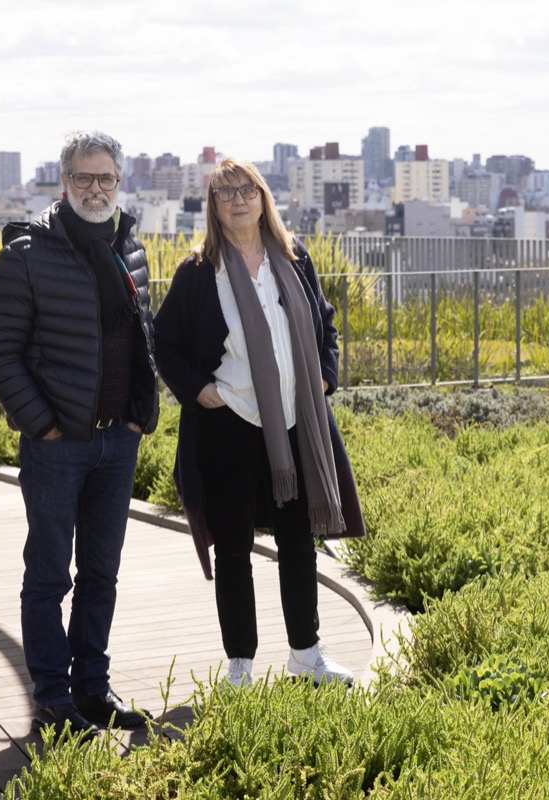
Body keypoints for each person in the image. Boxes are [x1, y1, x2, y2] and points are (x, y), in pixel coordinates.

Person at [153, 157, 365, 688]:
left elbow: (325, 322)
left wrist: (324, 378)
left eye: (247, 189)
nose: (239, 200)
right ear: (214, 208)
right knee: (234, 549)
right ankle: (241, 665)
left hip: (295, 423)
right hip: (230, 425)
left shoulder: (293, 257)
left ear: (263, 196)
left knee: (298, 543)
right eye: (226, 194)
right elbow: (164, 342)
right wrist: (200, 390)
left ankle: (306, 654)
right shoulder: (200, 271)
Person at [0, 129, 159, 739]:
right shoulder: (26, 254)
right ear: (64, 183)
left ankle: (93, 690)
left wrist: (140, 415)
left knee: (101, 574)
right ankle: (53, 698)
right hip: (59, 446)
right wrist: (45, 426)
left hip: (117, 441)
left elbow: (141, 339)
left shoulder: (130, 249)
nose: (96, 188)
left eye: (106, 177)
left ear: (119, 182)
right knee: (50, 575)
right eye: (84, 178)